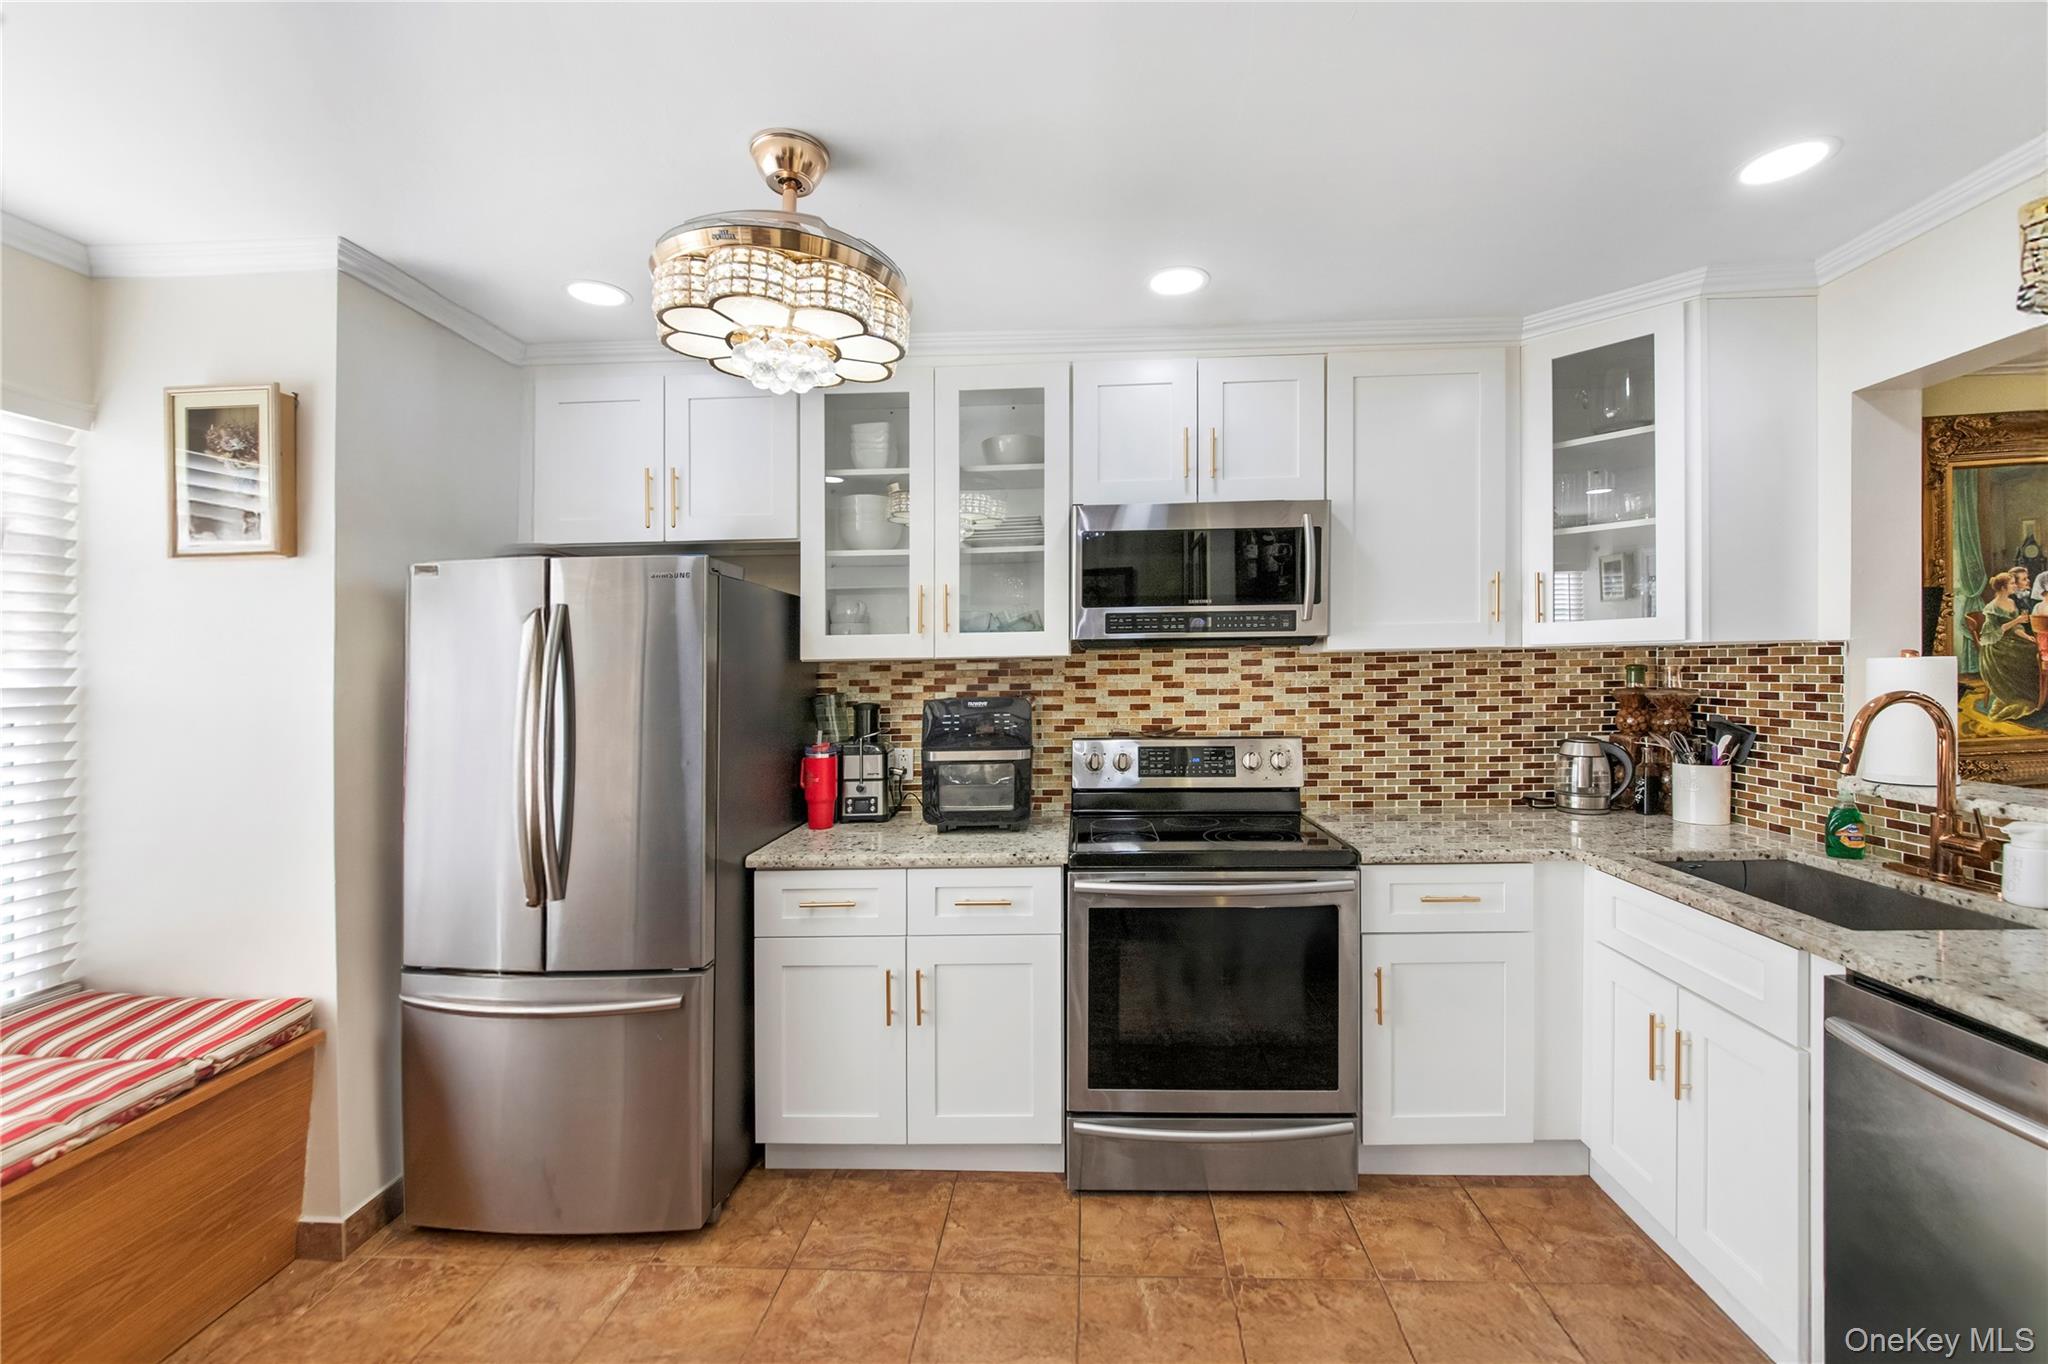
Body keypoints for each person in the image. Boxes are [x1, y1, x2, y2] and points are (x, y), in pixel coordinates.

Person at [1974, 570, 2042, 722]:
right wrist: (2016, 621)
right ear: (2003, 588)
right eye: (2012, 584)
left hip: (2011, 639)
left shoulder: (2011, 602)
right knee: (2028, 656)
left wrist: (2027, 637)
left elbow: (2016, 629)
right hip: (1996, 646)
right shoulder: (1992, 607)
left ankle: (2041, 694)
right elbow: (1990, 634)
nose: (2014, 586)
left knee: (2035, 648)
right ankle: (2024, 695)